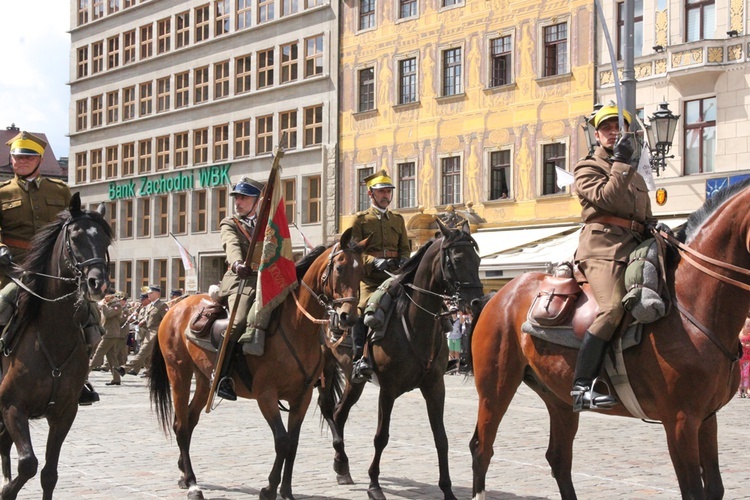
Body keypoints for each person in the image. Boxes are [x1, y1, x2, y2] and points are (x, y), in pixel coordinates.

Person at [572, 104, 666, 412]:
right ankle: (582, 386)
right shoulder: (587, 168)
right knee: (612, 308)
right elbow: (606, 199)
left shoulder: (635, 176)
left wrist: (657, 227)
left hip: (637, 246)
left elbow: (643, 214)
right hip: (603, 249)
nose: (613, 132)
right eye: (607, 128)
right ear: (597, 135)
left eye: (618, 127)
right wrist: (622, 163)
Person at [0, 131, 102, 405]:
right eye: (17, 157)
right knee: (0, 307)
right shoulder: (2, 192)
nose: (20, 161)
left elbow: (71, 227)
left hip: (53, 270)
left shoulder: (59, 191)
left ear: (39, 159)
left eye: (27, 157)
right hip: (14, 269)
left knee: (91, 317)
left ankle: (79, 378)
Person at [349, 169, 410, 383]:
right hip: (371, 278)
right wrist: (373, 261)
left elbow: (405, 247)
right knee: (366, 307)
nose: (386, 195)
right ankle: (359, 358)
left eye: (388, 191)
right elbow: (354, 250)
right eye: (381, 192)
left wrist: (403, 260)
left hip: (395, 275)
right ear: (370, 194)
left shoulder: (398, 219)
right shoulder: (360, 220)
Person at [215, 177, 266, 401]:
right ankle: (221, 376)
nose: (238, 202)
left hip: (266, 279)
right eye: (237, 197)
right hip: (241, 280)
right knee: (239, 320)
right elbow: (231, 245)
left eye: (244, 197)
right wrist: (238, 264)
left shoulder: (268, 225)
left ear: (257, 201)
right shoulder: (230, 223)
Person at [115, 284, 168, 377]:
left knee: (143, 351)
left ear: (158, 294)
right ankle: (151, 371)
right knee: (148, 355)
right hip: (146, 332)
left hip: (155, 332)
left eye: (151, 293)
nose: (149, 295)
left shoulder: (162, 305)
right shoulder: (149, 306)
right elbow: (147, 318)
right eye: (148, 293)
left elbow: (166, 320)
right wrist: (142, 321)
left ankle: (125, 368)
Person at [89, 292, 127, 385]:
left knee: (98, 354)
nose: (105, 298)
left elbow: (108, 314)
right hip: (108, 334)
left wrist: (102, 306)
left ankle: (85, 374)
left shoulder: (117, 305)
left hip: (110, 334)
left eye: (106, 296)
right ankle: (116, 379)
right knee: (112, 357)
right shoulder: (108, 305)